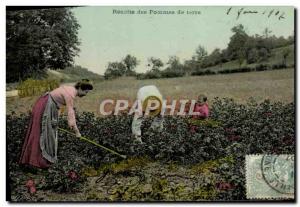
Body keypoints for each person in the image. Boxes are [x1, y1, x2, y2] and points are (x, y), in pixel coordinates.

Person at [19, 79, 93, 168]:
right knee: (41, 134)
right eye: (86, 92)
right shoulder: (70, 94)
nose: (85, 94)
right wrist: (77, 132)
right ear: (80, 88)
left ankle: (36, 161)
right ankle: (35, 162)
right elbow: (71, 114)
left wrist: (54, 118)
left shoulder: (69, 89)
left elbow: (56, 102)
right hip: (45, 107)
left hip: (45, 104)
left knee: (44, 133)